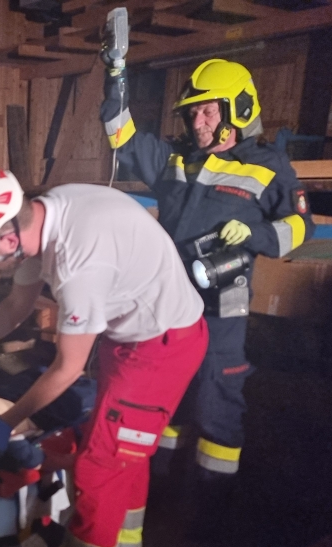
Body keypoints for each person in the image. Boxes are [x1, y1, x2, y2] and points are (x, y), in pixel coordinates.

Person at [0, 165, 207, 547]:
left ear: (7, 240)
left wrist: (5, 423)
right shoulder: (42, 218)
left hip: (160, 349)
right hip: (134, 338)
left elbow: (67, 369)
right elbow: (17, 306)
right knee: (123, 455)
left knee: (99, 467)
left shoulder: (80, 263)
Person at [100, 56, 314, 497]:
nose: (198, 122)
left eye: (209, 111)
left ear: (239, 110)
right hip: (167, 298)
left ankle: (212, 500)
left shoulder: (268, 165)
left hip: (224, 300)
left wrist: (254, 234)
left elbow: (301, 226)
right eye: (193, 112)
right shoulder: (174, 158)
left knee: (217, 392)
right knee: (166, 389)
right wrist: (116, 75)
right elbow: (122, 136)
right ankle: (159, 486)